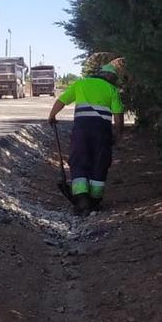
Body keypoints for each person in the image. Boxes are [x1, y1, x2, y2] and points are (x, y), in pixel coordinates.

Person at [48, 62, 125, 214]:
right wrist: (117, 135)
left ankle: (82, 198)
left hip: (81, 131)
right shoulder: (112, 89)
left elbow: (62, 101)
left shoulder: (80, 84)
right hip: (102, 133)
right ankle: (95, 200)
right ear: (111, 78)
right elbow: (119, 118)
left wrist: (52, 116)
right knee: (100, 162)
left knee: (79, 160)